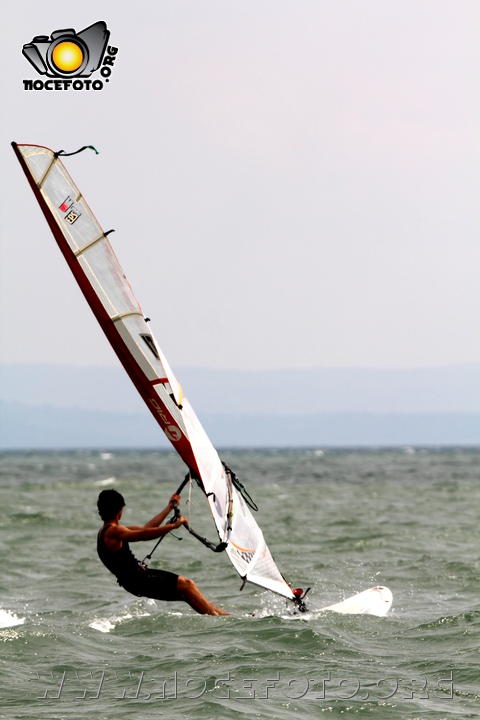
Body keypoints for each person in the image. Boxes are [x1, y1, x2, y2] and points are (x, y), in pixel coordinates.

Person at [97, 488, 230, 616]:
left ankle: (226, 617)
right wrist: (173, 526)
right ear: (119, 511)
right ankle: (222, 619)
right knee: (188, 585)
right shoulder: (113, 532)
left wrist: (169, 508)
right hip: (140, 580)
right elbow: (143, 535)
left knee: (187, 593)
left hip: (134, 582)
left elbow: (146, 527)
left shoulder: (106, 532)